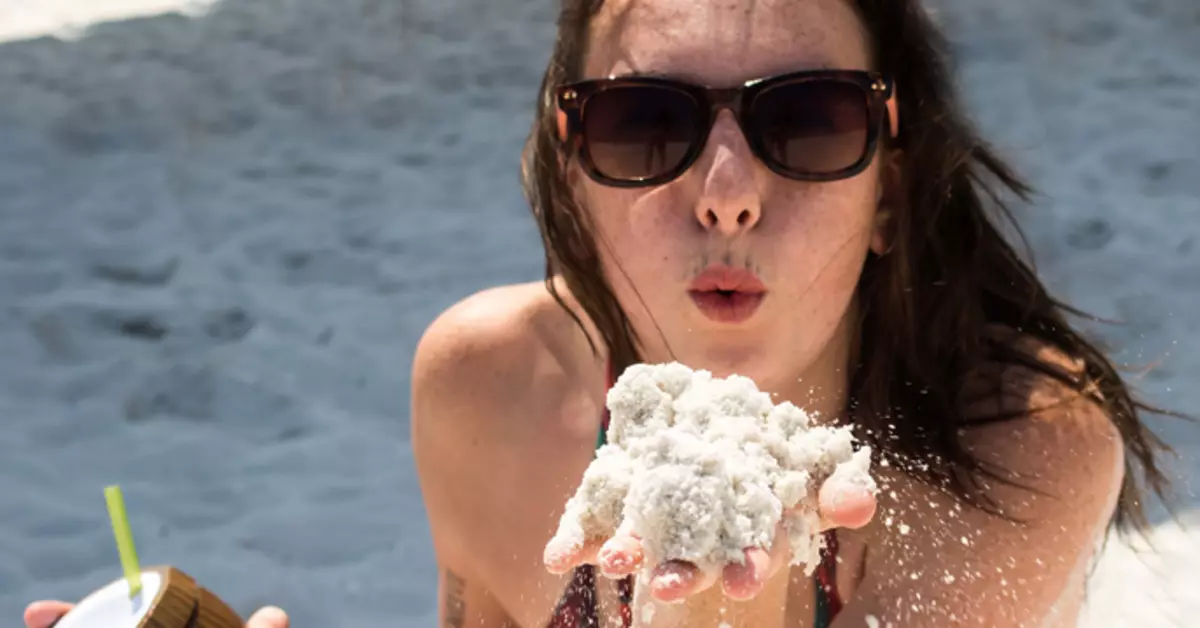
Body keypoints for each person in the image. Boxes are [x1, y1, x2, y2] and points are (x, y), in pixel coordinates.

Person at [24, 0, 1178, 626]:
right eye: (646, 123)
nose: (726, 191)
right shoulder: (492, 384)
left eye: (811, 120)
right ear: (573, 169)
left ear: (889, 192)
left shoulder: (1020, 442)